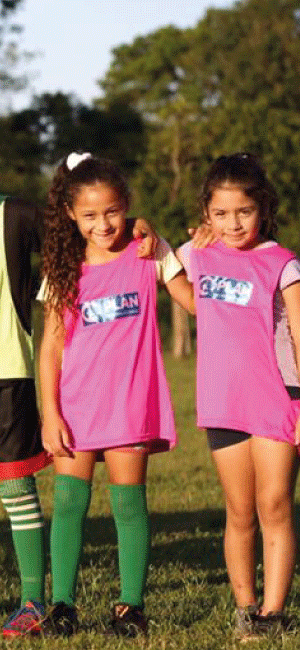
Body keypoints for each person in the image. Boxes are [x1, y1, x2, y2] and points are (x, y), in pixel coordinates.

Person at [0, 119, 157, 636]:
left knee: (18, 489)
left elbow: (79, 226)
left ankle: (33, 599)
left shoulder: (15, 215)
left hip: (8, 371)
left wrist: (138, 226)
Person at [36, 153, 193, 637]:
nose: (102, 223)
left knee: (129, 506)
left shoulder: (148, 255)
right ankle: (61, 606)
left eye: (111, 212)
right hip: (76, 405)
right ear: (71, 215)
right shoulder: (65, 269)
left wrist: (175, 247)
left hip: (129, 402)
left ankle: (131, 609)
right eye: (89, 215)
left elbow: (193, 300)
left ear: (125, 206)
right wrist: (49, 414)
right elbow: (50, 350)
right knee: (67, 504)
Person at [180, 154, 300, 640]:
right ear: (207, 214)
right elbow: (191, 298)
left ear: (263, 209)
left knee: (275, 505)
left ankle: (273, 613)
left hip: (277, 397)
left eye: (244, 212)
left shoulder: (283, 262)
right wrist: (186, 244)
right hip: (222, 401)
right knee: (239, 510)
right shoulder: (200, 256)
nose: (233, 223)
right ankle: (245, 608)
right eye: (222, 214)